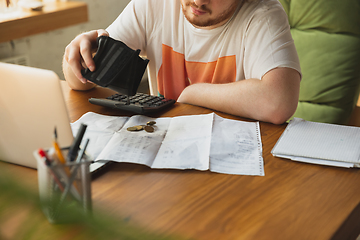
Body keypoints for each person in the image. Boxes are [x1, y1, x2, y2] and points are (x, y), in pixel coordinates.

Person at [63, 0, 301, 124]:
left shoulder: (263, 15)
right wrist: (76, 55)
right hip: (167, 149)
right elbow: (83, 80)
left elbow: (278, 102)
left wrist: (191, 94)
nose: (198, 2)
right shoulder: (153, 5)